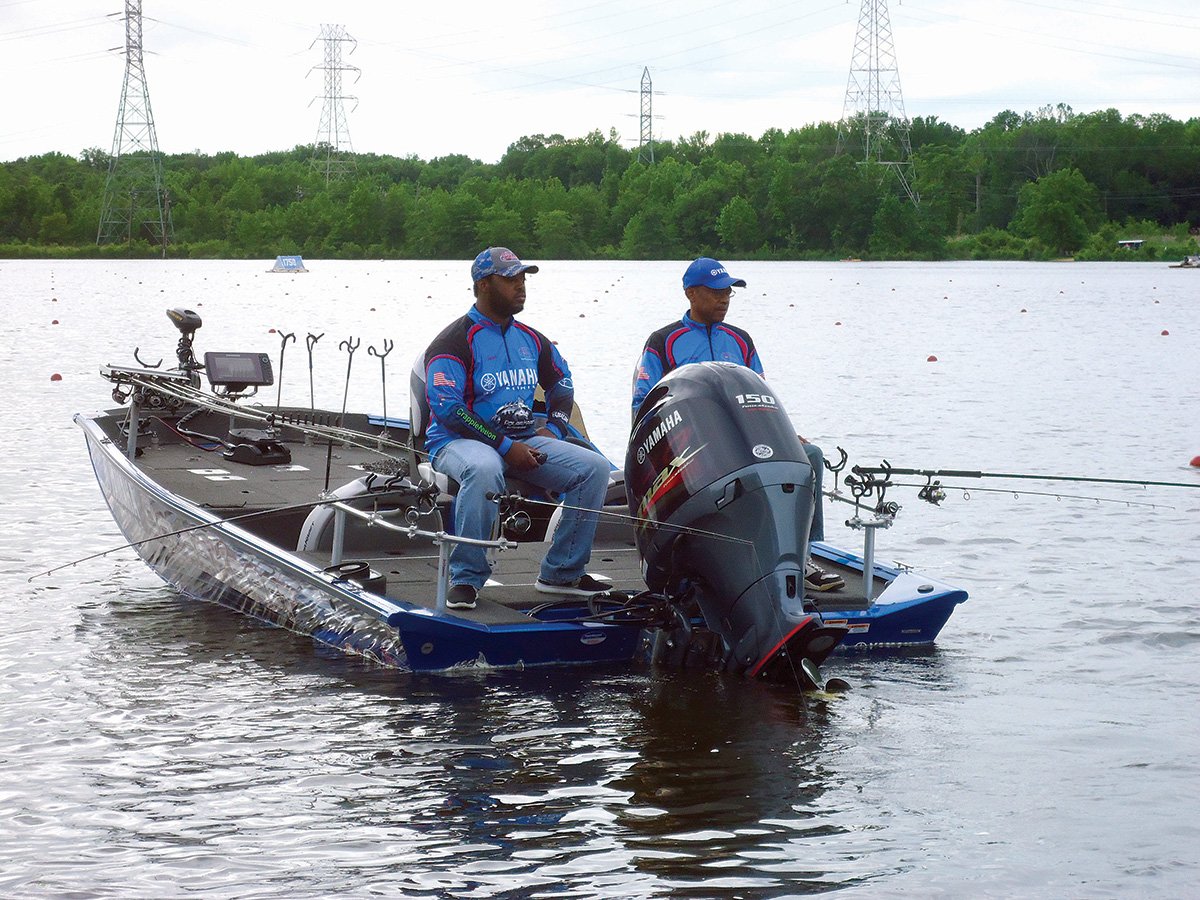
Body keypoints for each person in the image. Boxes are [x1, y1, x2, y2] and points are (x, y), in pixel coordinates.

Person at [631, 256, 845, 593]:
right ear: (691, 294)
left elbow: (762, 393)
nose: (724, 299)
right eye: (715, 292)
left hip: (745, 438)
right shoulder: (664, 341)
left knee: (811, 457)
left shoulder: (741, 340)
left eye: (728, 292)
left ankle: (805, 554)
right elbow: (644, 404)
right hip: (694, 445)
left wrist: (786, 434)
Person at [422, 247, 612, 610]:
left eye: (523, 279)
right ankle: (465, 577)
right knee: (484, 467)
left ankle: (561, 573)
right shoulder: (453, 342)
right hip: (458, 442)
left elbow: (562, 385)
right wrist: (506, 447)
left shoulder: (532, 339)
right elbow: (448, 408)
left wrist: (554, 429)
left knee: (594, 469)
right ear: (482, 285)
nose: (520, 286)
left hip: (523, 439)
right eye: (510, 279)